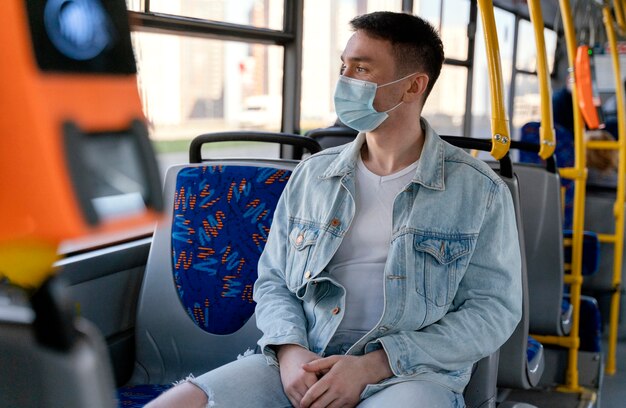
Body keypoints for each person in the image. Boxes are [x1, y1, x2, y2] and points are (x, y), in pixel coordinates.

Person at [147, 11, 521, 408]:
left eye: (361, 69)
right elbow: (273, 279)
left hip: (410, 372)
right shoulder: (314, 175)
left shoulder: (479, 190)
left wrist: (373, 365)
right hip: (308, 356)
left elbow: (492, 311)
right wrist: (290, 352)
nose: (345, 81)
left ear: (413, 86)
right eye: (344, 66)